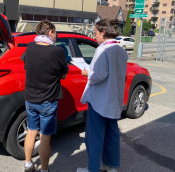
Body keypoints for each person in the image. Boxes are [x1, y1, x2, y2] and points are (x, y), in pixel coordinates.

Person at [77, 19, 128, 172]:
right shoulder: (121, 50)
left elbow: (99, 75)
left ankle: (93, 168)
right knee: (112, 135)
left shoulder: (102, 50)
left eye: (95, 33)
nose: (95, 37)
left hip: (100, 101)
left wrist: (87, 72)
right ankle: (111, 166)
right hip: (114, 100)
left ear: (103, 32)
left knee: (94, 137)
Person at [22, 20, 69, 172]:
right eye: (55, 33)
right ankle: (44, 169)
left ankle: (28, 164)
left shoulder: (29, 47)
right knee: (45, 136)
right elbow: (64, 73)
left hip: (30, 98)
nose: (56, 36)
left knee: (31, 131)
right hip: (47, 101)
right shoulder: (57, 51)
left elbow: (26, 65)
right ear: (50, 32)